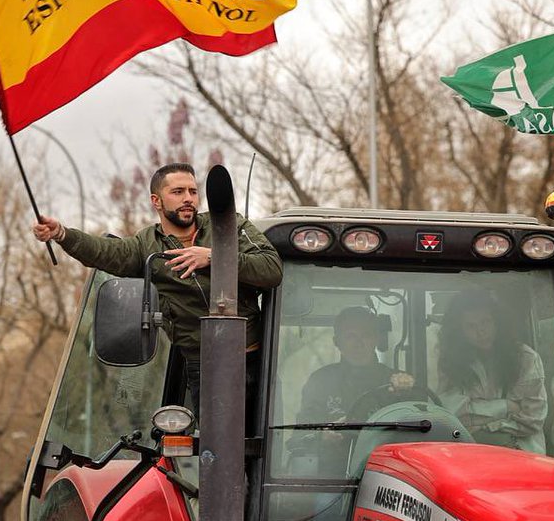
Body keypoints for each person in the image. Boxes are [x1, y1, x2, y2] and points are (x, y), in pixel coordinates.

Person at [32, 162, 282, 412]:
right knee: (213, 449)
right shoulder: (147, 244)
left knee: (269, 443)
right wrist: (62, 234)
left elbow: (271, 268)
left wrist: (213, 257)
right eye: (178, 192)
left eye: (193, 192)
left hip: (255, 359)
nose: (188, 199)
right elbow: (106, 252)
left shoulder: (230, 226)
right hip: (203, 366)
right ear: (157, 201)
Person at [436, 290, 547, 453]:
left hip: (523, 454)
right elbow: (451, 414)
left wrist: (482, 425)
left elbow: (532, 420)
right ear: (460, 331)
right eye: (471, 326)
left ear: (497, 322)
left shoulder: (526, 359)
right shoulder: (452, 364)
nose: (480, 332)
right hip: (472, 455)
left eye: (485, 322)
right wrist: (505, 406)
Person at [297, 307, 396, 423]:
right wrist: (323, 436)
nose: (358, 342)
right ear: (337, 341)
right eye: (350, 336)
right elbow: (302, 435)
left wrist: (403, 394)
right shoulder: (320, 382)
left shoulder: (397, 382)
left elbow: (416, 425)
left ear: (376, 339)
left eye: (365, 335)